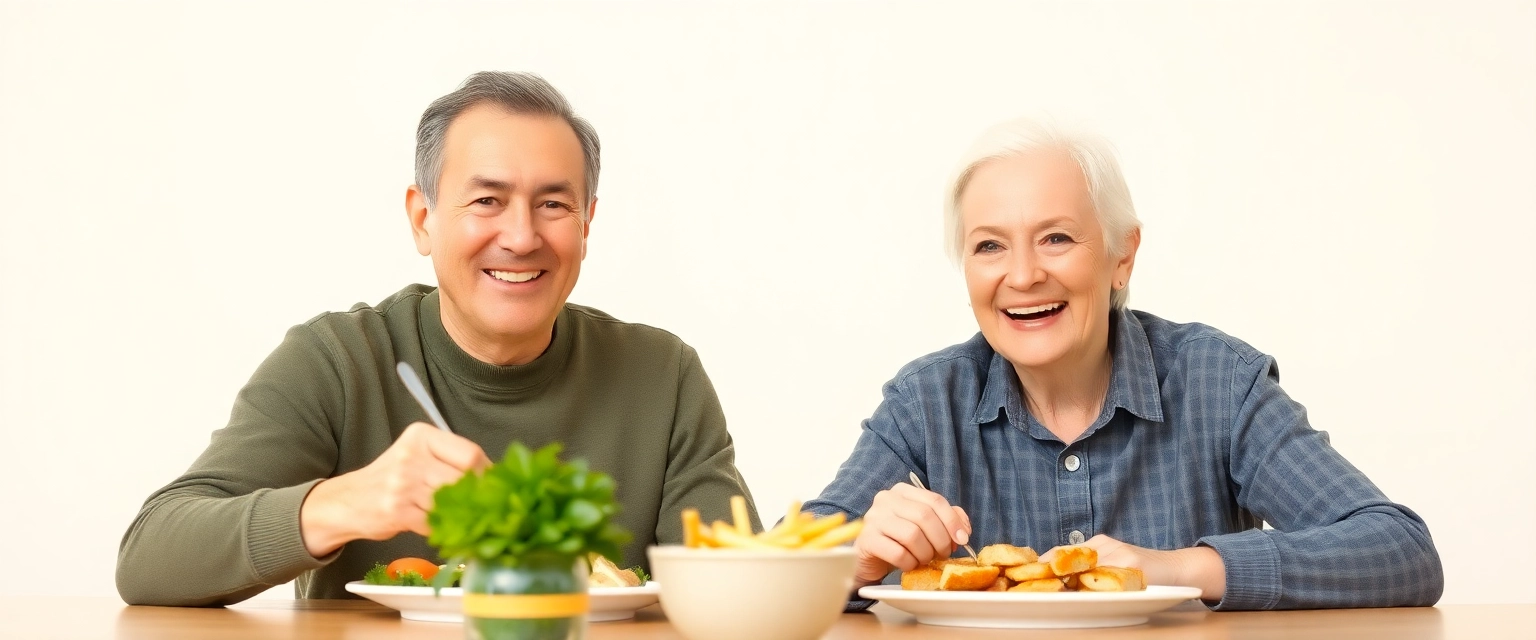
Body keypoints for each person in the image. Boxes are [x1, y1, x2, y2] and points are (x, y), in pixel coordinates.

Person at [116, 72, 759, 606]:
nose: (521, 236)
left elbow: (743, 588)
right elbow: (149, 559)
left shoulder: (663, 373)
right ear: (423, 221)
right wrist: (344, 503)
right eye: (486, 201)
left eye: (554, 205)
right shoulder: (338, 361)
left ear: (587, 224)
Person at [802, 118, 1443, 610]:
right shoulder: (926, 399)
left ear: (1121, 256)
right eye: (989, 246)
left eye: (1057, 238)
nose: (1023, 276)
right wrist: (849, 562)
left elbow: (1402, 551)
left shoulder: (1216, 382)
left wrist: (1174, 569)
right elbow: (774, 566)